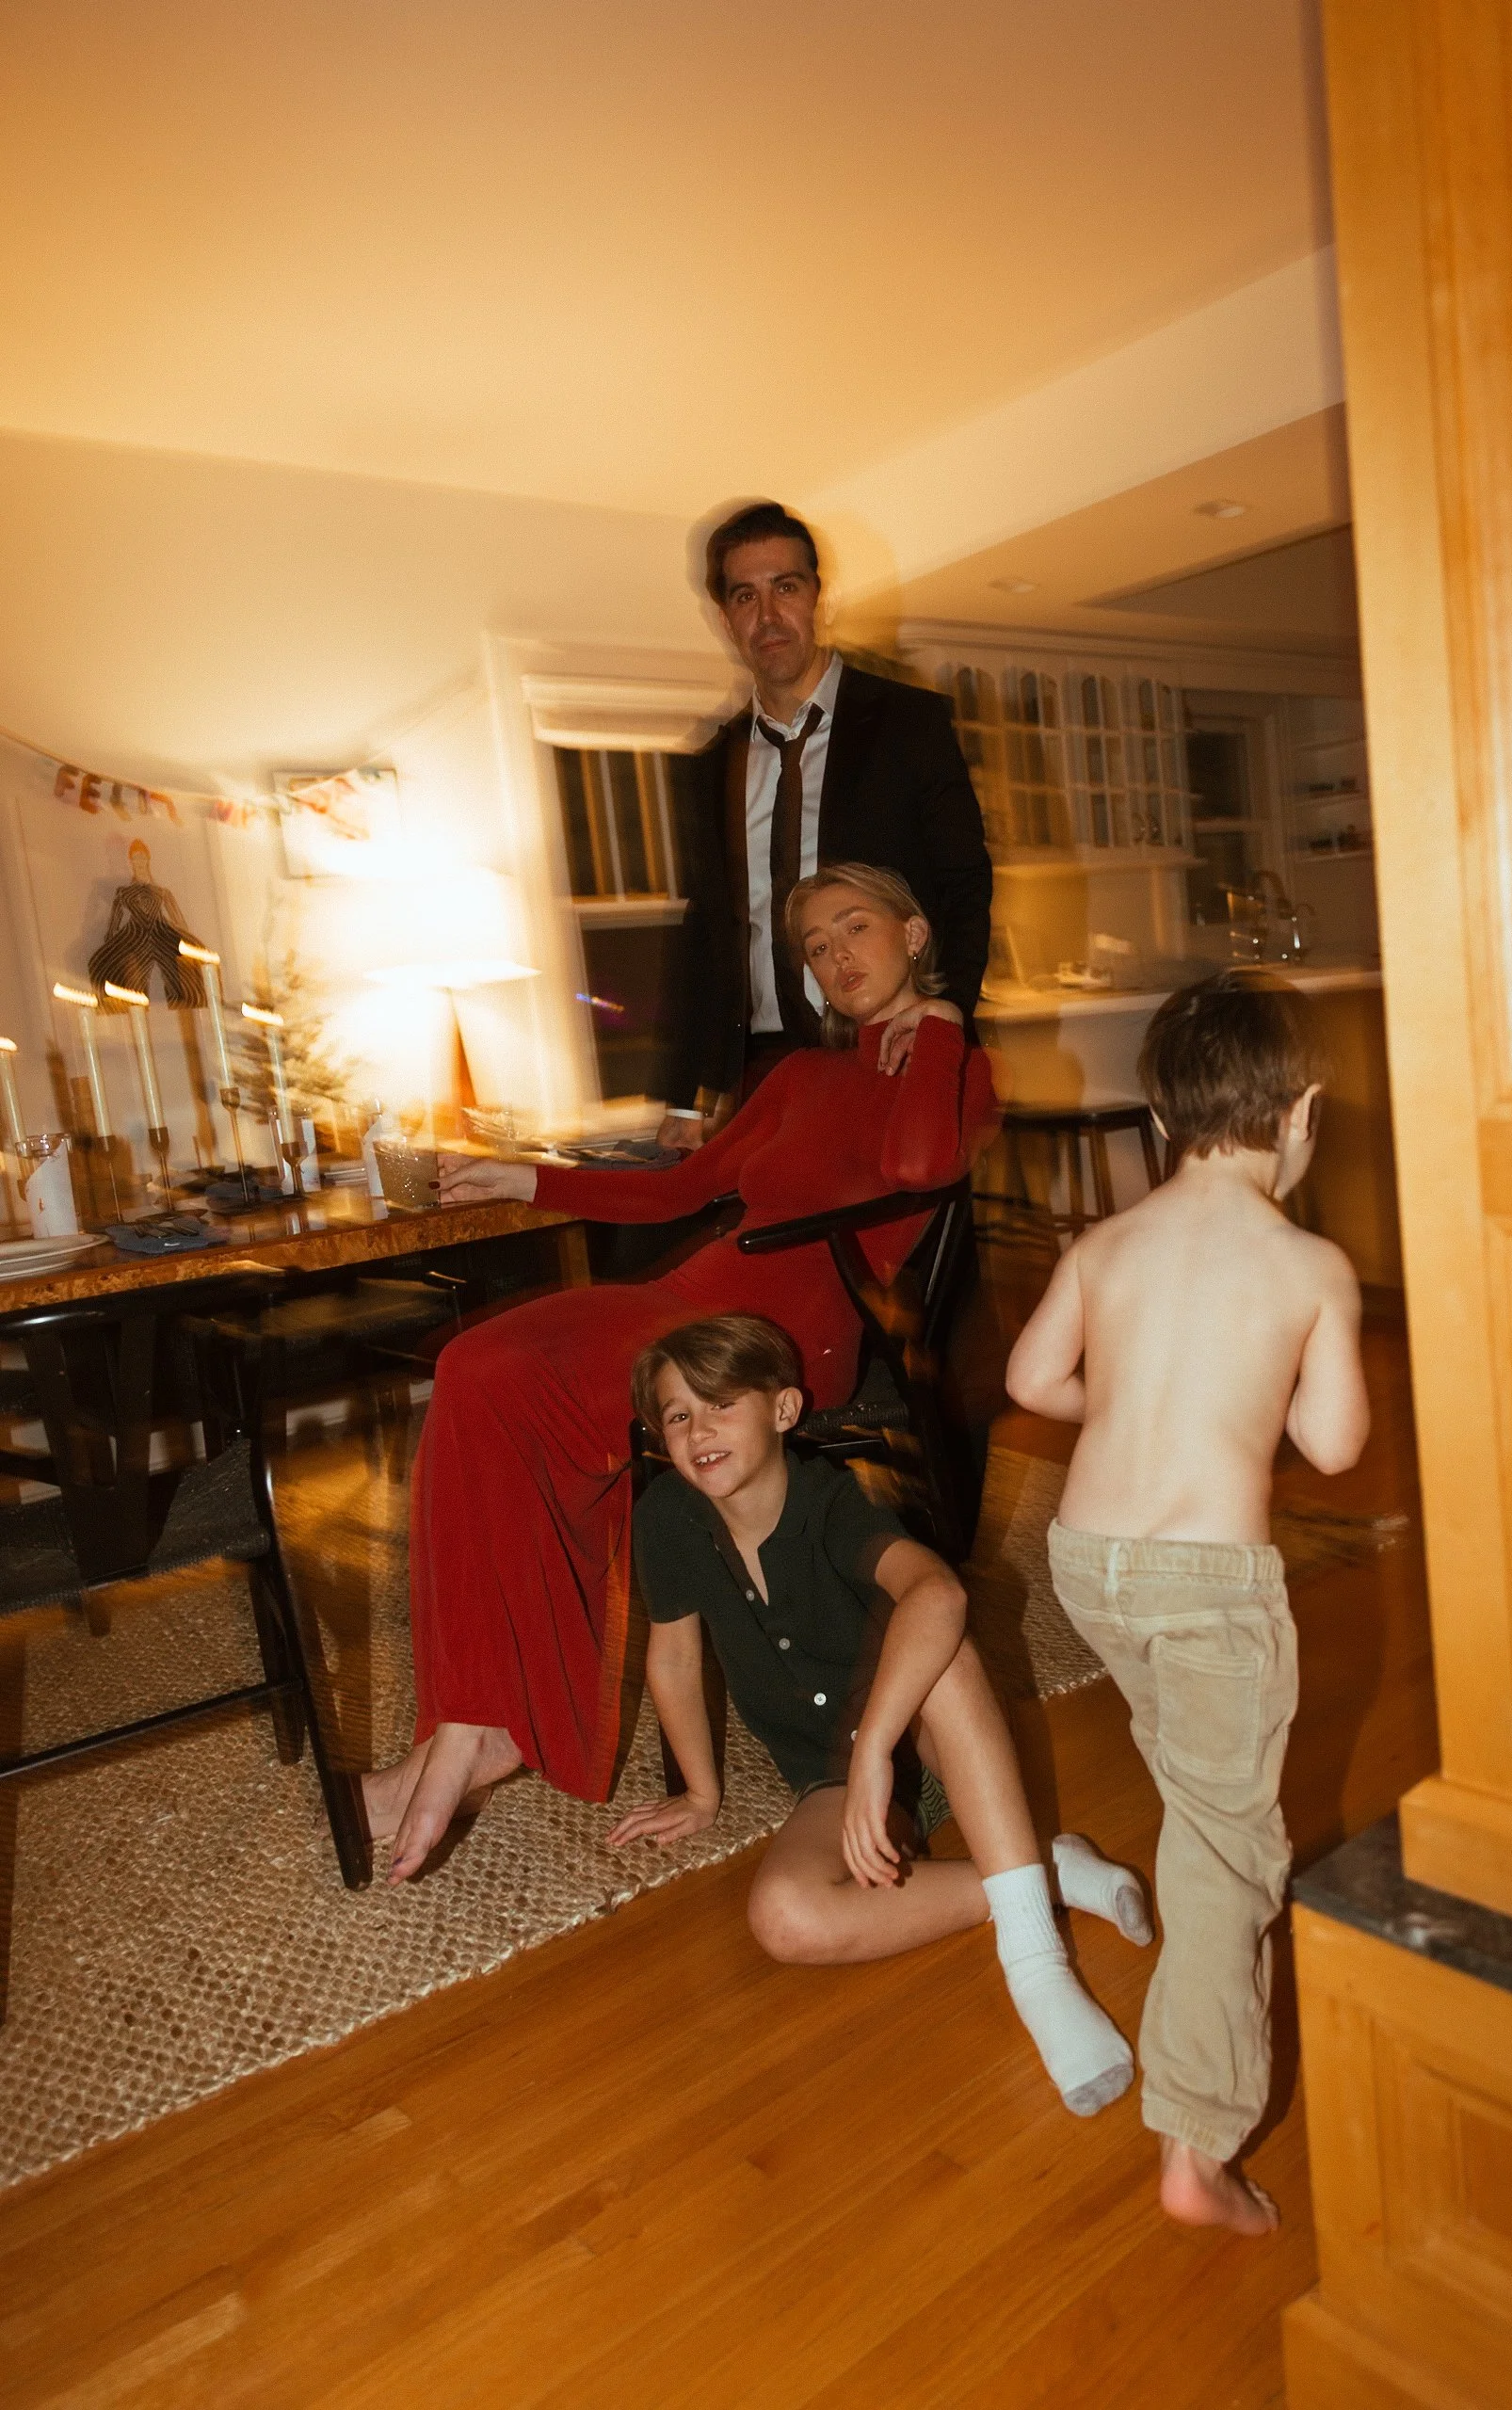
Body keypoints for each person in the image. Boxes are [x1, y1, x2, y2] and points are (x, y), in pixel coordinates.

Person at [363, 863, 998, 1885]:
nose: (837, 958)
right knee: (475, 1366)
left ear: (915, 932)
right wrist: (524, 1179)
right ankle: (472, 1722)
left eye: (856, 928)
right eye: (816, 946)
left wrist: (940, 1025)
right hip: (689, 1297)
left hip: (779, 1336)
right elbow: (684, 1189)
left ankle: (488, 1727)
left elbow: (923, 1165)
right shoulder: (800, 1073)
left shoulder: (958, 1067)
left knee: (536, 1397)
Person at [1005, 971, 1370, 2234]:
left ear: (1160, 1119)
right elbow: (1332, 1444)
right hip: (1208, 1585)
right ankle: (1196, 2142)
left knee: (1194, 1786)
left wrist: (1119, 1404)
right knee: (1229, 1851)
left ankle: (1192, 1866)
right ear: (1302, 1112)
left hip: (1089, 1563)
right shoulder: (1307, 1263)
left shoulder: (1104, 1245)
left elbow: (1031, 1377)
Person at [608, 1312, 1150, 2117]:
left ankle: (1035, 1963)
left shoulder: (833, 1501)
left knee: (944, 1652)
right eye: (677, 1415)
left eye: (720, 1404)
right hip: (829, 1774)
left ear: (783, 1410)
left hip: (924, 1739)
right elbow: (675, 1659)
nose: (698, 1430)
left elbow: (939, 1594)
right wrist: (700, 1793)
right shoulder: (667, 1518)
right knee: (784, 1919)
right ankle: (1043, 1874)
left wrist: (874, 1755)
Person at [657, 501, 992, 1148]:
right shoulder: (711, 766)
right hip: (763, 1070)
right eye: (745, 596)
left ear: (819, 597)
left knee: (906, 1216)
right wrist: (685, 1093)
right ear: (724, 618)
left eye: (785, 587)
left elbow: (965, 883)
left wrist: (945, 1012)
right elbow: (708, 929)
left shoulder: (908, 725)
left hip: (892, 1050)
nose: (767, 616)